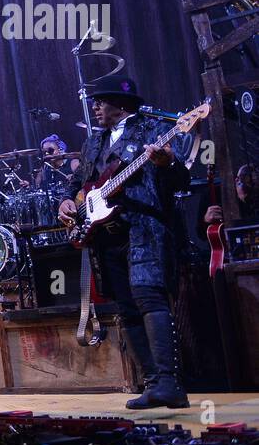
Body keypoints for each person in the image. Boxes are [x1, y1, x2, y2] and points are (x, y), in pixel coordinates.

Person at [58, 75, 191, 409]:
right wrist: (65, 201)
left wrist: (168, 162)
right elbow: (78, 182)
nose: (96, 107)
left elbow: (180, 182)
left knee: (149, 300)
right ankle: (151, 384)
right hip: (105, 235)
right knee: (126, 308)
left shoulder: (151, 131)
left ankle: (169, 383)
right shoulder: (93, 143)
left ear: (121, 104)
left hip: (143, 230)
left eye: (101, 101)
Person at [204, 162, 258, 227]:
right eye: (247, 188)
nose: (251, 195)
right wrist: (206, 220)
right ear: (237, 180)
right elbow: (200, 231)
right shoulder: (214, 193)